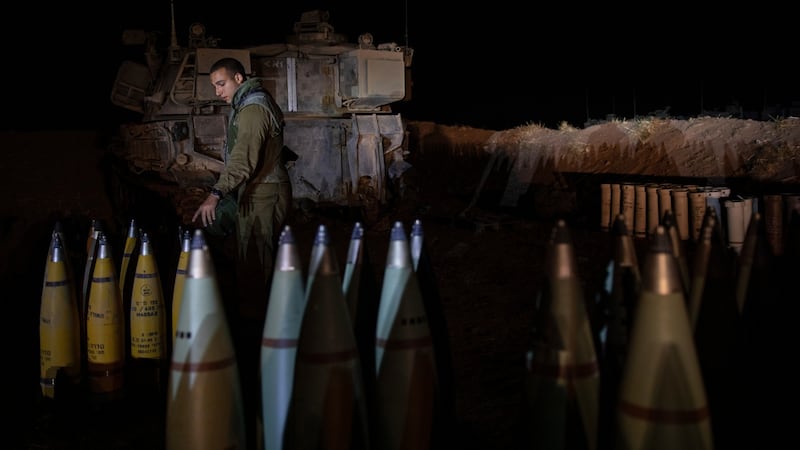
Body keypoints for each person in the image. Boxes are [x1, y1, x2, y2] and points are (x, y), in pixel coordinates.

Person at [191, 57, 292, 447]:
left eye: (221, 84)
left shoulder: (251, 110)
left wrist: (215, 195)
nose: (217, 92)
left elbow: (243, 160)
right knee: (258, 262)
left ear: (238, 77)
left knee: (256, 265)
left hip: (263, 195)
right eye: (214, 86)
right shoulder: (254, 102)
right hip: (261, 192)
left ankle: (263, 347)